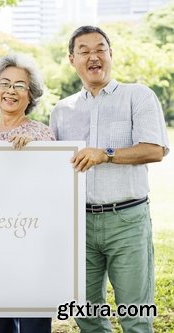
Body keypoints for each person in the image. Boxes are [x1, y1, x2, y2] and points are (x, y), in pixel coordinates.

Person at [50, 26, 169, 333]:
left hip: (127, 220)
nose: (94, 56)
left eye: (100, 49)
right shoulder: (61, 110)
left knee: (136, 316)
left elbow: (155, 150)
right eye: (84, 51)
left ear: (111, 55)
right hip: (80, 225)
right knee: (87, 316)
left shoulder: (137, 96)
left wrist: (106, 154)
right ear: (71, 59)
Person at [0, 53, 54, 333]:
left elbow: (50, 185)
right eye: (5, 83)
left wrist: (33, 149)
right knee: (0, 323)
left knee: (34, 322)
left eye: (20, 85)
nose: (11, 91)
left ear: (30, 94)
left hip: (32, 242)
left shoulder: (41, 134)